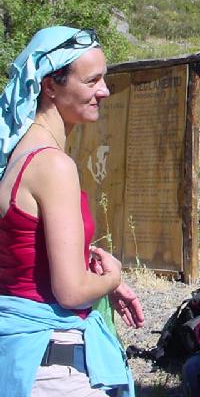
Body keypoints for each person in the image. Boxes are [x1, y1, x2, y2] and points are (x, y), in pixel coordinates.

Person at [0, 26, 144, 397]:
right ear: (50, 86)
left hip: (19, 356)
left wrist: (87, 267)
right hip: (53, 366)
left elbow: (24, 254)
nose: (104, 91)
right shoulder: (54, 165)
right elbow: (70, 292)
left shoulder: (16, 155)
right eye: (92, 80)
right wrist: (113, 277)